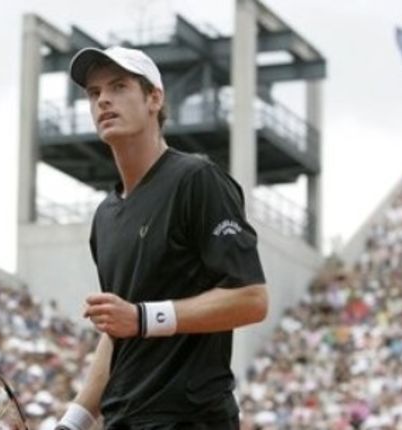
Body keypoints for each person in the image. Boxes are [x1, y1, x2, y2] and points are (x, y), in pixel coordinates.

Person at [56, 46, 268, 429]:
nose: (103, 99)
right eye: (93, 92)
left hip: (192, 420)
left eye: (118, 86)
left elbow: (251, 299)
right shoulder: (105, 216)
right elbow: (117, 333)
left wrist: (141, 317)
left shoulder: (197, 180)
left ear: (155, 98)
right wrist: (72, 421)